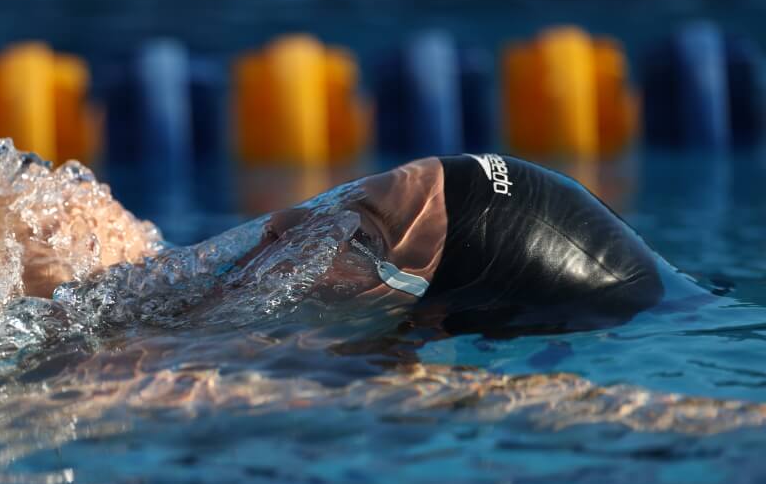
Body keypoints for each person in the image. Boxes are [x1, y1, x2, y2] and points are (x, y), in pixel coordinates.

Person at [54, 153, 678, 341]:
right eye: (336, 199)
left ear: (427, 319)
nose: (281, 224)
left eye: (356, 235)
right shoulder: (76, 231)